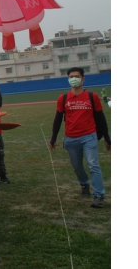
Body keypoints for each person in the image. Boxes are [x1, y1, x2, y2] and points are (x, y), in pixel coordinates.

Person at [50, 67, 111, 208]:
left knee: (93, 165)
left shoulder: (92, 96)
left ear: (83, 79)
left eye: (77, 76)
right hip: (71, 138)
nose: (74, 78)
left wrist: (108, 138)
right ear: (68, 79)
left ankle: (99, 195)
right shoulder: (63, 98)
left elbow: (101, 118)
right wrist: (53, 138)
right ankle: (84, 184)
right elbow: (58, 119)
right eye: (71, 76)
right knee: (77, 166)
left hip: (89, 136)